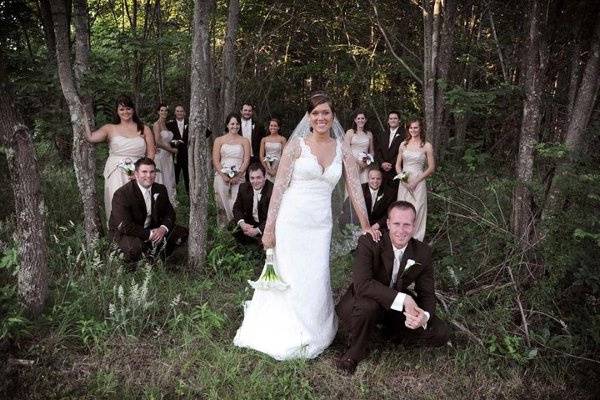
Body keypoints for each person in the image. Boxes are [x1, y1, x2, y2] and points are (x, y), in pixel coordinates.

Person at [233, 91, 379, 360]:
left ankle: (315, 330)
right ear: (309, 117)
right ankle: (289, 328)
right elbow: (278, 189)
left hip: (321, 224)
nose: (321, 117)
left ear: (332, 116)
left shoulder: (342, 148)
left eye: (326, 112)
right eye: (316, 113)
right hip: (292, 220)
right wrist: (269, 228)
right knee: (291, 274)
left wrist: (366, 225)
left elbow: (355, 189)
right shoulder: (297, 145)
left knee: (316, 273)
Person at [336, 201, 449, 374]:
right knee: (369, 307)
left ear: (414, 225)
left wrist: (424, 317)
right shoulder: (369, 242)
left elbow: (427, 293)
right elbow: (362, 284)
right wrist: (405, 298)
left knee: (440, 332)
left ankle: (391, 332)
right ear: (388, 223)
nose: (401, 230)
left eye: (406, 225)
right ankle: (353, 354)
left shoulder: (422, 252)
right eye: (396, 224)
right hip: (363, 301)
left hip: (394, 306)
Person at [85, 94, 155, 222]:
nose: (125, 112)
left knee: (139, 204)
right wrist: (83, 115)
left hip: (138, 172)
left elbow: (151, 153)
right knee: (117, 203)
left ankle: (141, 234)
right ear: (117, 111)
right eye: (121, 109)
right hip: (116, 171)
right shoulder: (110, 128)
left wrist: (141, 172)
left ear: (133, 110)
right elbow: (90, 137)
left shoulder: (144, 129)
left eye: (128, 108)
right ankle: (117, 235)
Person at [109, 157, 188, 263]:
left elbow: (170, 213)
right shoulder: (122, 194)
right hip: (127, 232)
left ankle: (160, 258)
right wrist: (150, 234)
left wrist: (162, 229)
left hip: (153, 228)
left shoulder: (160, 189)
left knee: (182, 233)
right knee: (135, 248)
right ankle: (136, 266)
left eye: (152, 172)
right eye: (144, 172)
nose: (149, 176)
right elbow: (124, 225)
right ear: (136, 174)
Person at [394, 119, 435, 241]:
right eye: (411, 128)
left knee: (417, 210)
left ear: (420, 128)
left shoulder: (426, 146)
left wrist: (416, 181)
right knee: (402, 210)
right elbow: (397, 165)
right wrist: (403, 179)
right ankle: (401, 239)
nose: (413, 130)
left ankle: (415, 240)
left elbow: (431, 167)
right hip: (404, 182)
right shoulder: (403, 144)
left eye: (416, 127)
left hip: (419, 181)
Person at [212, 112, 251, 222]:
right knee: (222, 198)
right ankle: (223, 226)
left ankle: (235, 224)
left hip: (239, 174)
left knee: (236, 200)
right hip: (222, 173)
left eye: (237, 124)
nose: (235, 126)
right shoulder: (219, 140)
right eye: (232, 124)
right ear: (227, 125)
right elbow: (215, 159)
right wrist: (223, 175)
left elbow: (246, 160)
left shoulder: (245, 141)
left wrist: (238, 176)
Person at [232, 163, 273, 245]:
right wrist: (243, 224)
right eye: (252, 178)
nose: (255, 181)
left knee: (265, 241)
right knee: (233, 226)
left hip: (265, 224)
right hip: (250, 222)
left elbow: (272, 217)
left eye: (258, 177)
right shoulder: (243, 187)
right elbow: (237, 208)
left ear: (265, 177)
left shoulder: (272, 191)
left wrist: (257, 230)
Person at [152, 103, 178, 206]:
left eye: (166, 111)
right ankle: (160, 200)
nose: (164, 112)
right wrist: (171, 150)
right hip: (161, 154)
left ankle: (170, 198)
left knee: (169, 175)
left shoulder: (166, 125)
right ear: (158, 112)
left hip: (168, 156)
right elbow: (157, 142)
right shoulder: (156, 124)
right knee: (161, 176)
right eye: (162, 110)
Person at [374, 111, 403, 191]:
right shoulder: (382, 134)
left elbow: (403, 152)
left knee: (394, 197)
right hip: (382, 171)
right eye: (391, 118)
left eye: (395, 118)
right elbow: (378, 150)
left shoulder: (404, 134)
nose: (393, 120)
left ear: (399, 120)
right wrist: (382, 163)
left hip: (395, 171)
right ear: (388, 121)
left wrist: (391, 164)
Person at [344, 111, 374, 184]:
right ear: (355, 120)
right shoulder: (350, 132)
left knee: (364, 186)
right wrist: (357, 162)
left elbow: (372, 151)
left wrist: (367, 162)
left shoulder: (369, 134)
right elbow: (346, 150)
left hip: (365, 165)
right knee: (353, 187)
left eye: (362, 118)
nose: (360, 120)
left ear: (365, 120)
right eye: (358, 118)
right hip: (352, 164)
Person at [363, 167, 395, 232]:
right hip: (362, 223)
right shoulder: (361, 189)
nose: (375, 181)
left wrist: (378, 224)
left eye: (378, 179)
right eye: (373, 178)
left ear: (382, 180)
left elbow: (390, 212)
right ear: (368, 179)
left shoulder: (389, 192)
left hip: (380, 225)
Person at [166, 105, 189, 194]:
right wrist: (173, 143)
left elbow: (202, 135)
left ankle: (189, 194)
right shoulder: (169, 124)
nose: (179, 113)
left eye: (181, 111)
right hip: (175, 155)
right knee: (174, 176)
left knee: (188, 176)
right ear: (175, 112)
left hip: (187, 155)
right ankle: (175, 195)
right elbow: (165, 139)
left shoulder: (190, 122)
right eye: (178, 111)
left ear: (184, 113)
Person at [259, 117, 287, 182]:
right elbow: (261, 156)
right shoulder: (264, 139)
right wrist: (267, 169)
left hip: (278, 165)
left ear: (278, 127)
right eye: (271, 125)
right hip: (267, 165)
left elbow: (284, 156)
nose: (273, 127)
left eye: (275, 126)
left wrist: (276, 169)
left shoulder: (282, 139)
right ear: (269, 127)